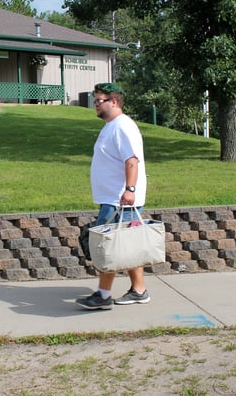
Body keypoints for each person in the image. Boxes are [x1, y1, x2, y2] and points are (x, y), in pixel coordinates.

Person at [76, 83, 149, 310]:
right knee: (126, 245)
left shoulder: (123, 127)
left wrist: (130, 190)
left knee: (106, 246)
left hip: (119, 201)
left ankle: (103, 295)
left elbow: (132, 160)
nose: (96, 105)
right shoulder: (111, 126)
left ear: (114, 101)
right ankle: (139, 291)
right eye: (95, 101)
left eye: (100, 101)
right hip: (114, 199)